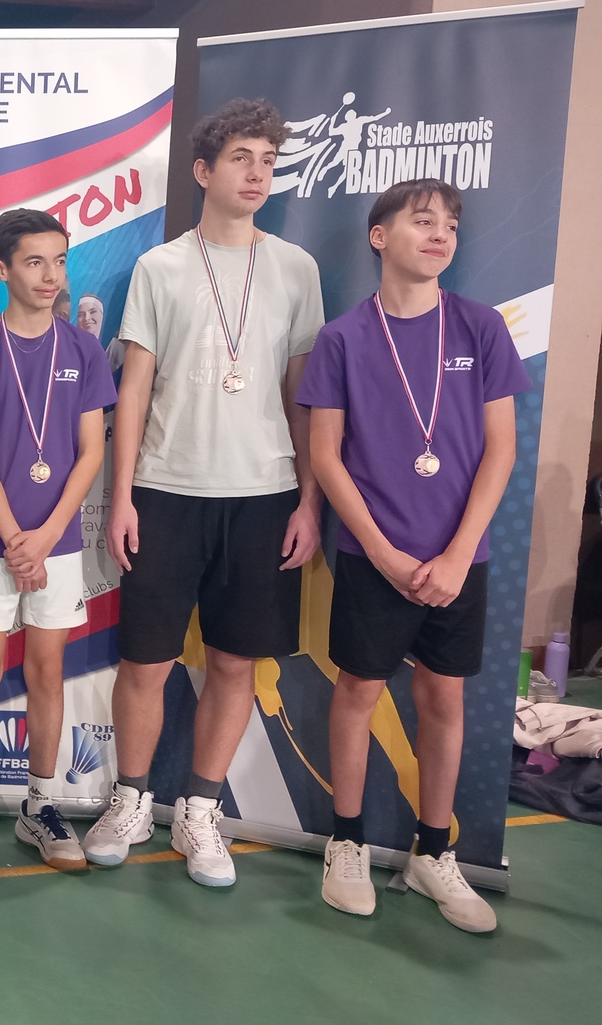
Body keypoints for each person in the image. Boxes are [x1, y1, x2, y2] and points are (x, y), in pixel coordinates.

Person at [84, 99, 324, 887]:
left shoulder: (296, 269)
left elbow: (302, 395)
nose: (257, 173)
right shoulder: (161, 268)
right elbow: (134, 389)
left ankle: (200, 811)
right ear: (203, 170)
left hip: (263, 494)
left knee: (234, 665)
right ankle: (129, 800)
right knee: (145, 662)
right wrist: (121, 497)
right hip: (166, 488)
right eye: (241, 158)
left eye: (268, 161)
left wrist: (309, 500)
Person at [298, 178, 527, 931]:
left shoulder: (480, 328)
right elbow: (326, 456)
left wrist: (457, 556)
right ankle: (347, 842)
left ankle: (433, 854)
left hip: (460, 558)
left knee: (443, 698)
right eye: (422, 221)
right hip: (374, 557)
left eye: (450, 226)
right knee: (358, 692)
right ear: (379, 236)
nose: (439, 235)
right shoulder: (342, 338)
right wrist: (382, 552)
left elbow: (500, 450)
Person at [0, 210, 117, 873]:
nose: (50, 276)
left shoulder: (83, 350)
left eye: (60, 261)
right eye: (35, 262)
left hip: (58, 541)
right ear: (1, 268)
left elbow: (91, 453)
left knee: (46, 671)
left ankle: (40, 805)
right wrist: (17, 539)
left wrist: (44, 539)